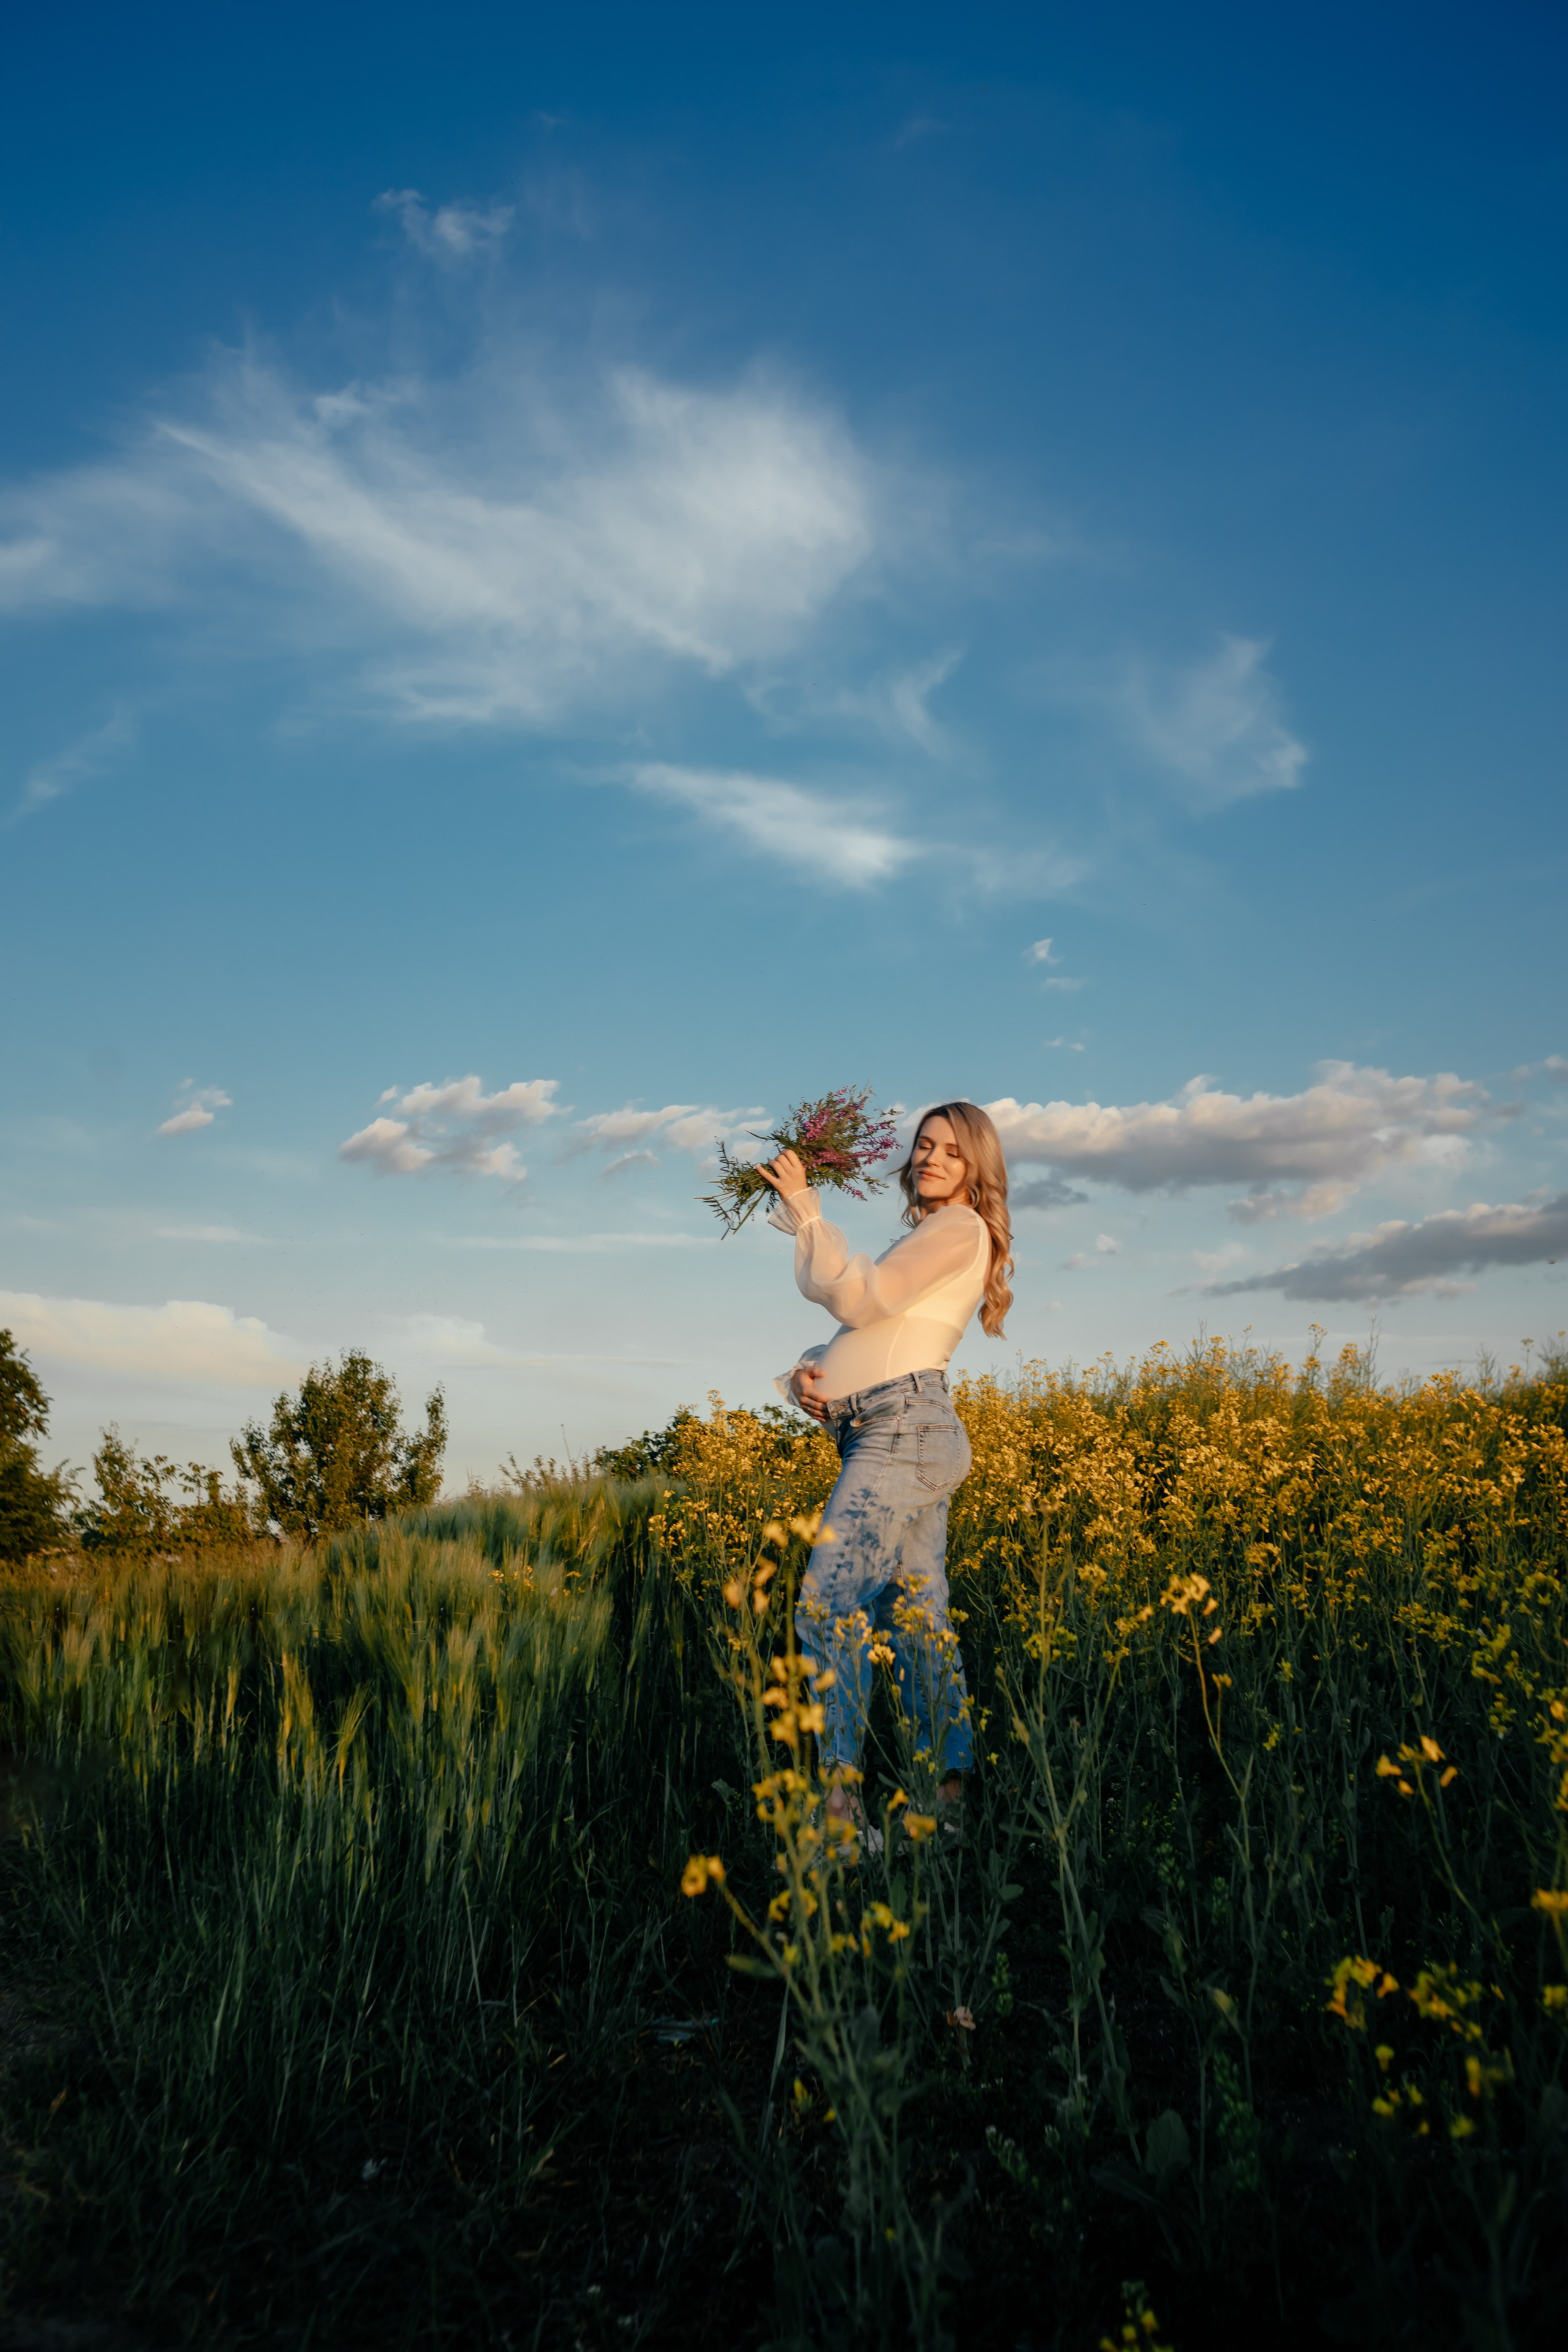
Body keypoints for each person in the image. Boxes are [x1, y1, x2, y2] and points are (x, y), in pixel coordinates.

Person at [756, 1100, 1013, 1828]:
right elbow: (880, 1331)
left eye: (952, 1152)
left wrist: (806, 1210)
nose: (931, 1159)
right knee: (916, 1622)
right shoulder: (941, 1235)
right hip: (899, 1428)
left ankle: (839, 1813)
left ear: (977, 1169)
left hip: (903, 1430)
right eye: (924, 1146)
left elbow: (862, 1297)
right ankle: (946, 1810)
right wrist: (812, 1371)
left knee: (828, 1603)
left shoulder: (958, 1227)